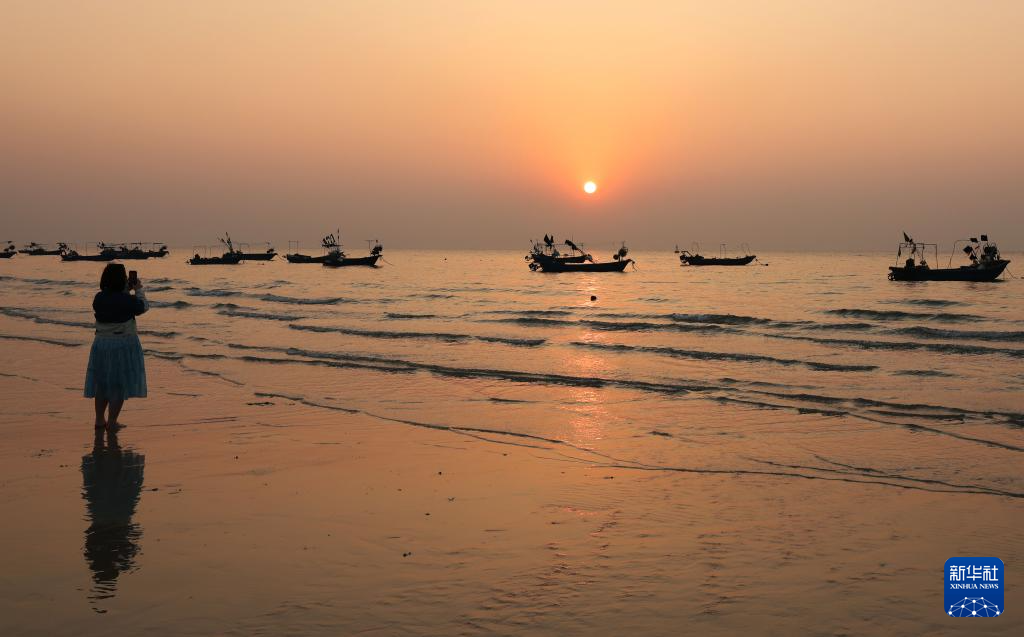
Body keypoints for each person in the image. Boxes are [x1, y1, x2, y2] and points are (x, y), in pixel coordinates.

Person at [85, 263, 149, 429]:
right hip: (122, 343)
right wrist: (139, 289)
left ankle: (99, 420)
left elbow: (115, 303)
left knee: (103, 383)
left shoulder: (98, 298)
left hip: (101, 343)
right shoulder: (126, 300)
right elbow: (142, 307)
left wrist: (126, 292)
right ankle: (112, 421)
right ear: (122, 280)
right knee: (118, 384)